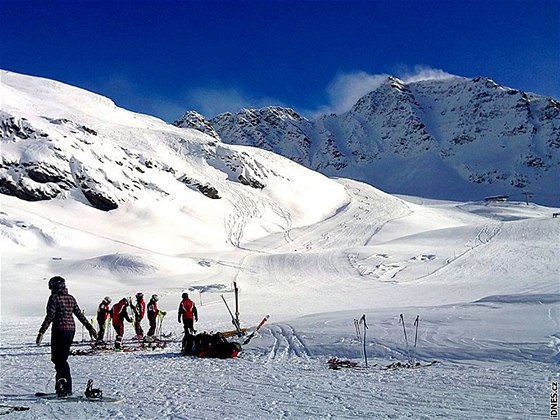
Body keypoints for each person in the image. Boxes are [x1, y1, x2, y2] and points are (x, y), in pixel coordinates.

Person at [36, 276, 97, 396]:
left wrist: (41, 332)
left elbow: (50, 315)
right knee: (60, 359)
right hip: (70, 331)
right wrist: (89, 327)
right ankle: (62, 385)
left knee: (59, 359)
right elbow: (79, 314)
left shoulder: (54, 298)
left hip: (59, 330)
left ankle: (65, 386)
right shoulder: (71, 298)